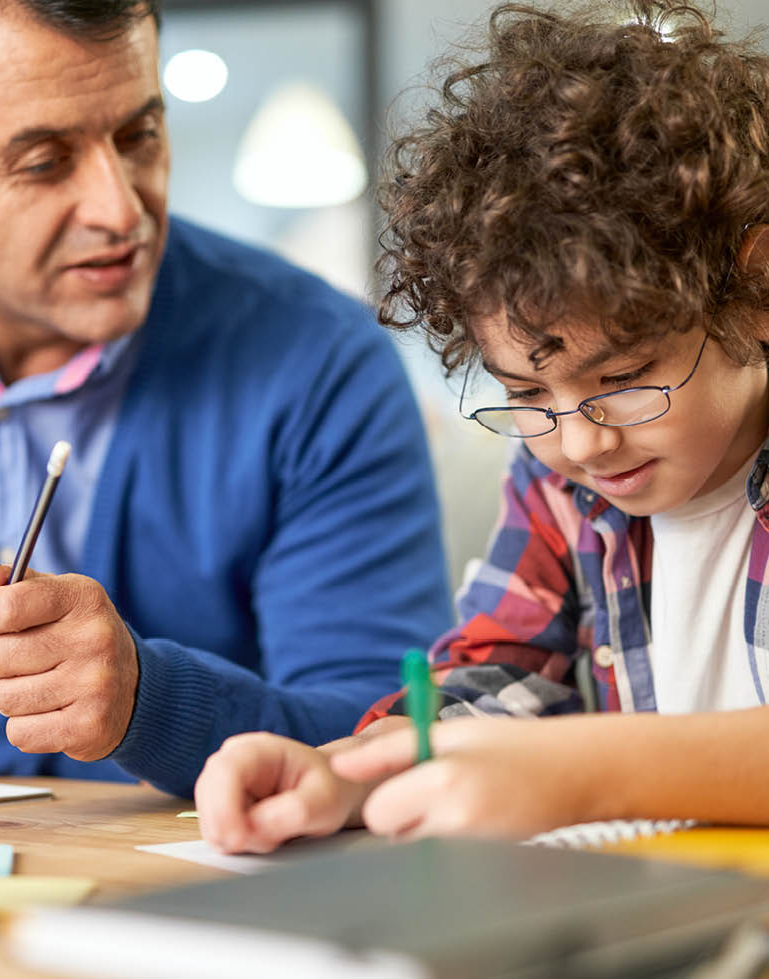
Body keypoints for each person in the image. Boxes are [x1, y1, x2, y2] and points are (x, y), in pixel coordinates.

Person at [0, 0, 452, 797]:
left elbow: (377, 732)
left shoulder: (321, 357)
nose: (121, 210)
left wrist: (146, 701)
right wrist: (64, 729)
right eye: (43, 161)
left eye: (139, 136)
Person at [195, 0, 769, 852]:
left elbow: (557, 760)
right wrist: (352, 771)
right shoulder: (563, 485)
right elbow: (499, 676)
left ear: (753, 290)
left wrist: (573, 770)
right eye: (526, 391)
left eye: (622, 378)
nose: (578, 440)